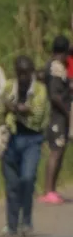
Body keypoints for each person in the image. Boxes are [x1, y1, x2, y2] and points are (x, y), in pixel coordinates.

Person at [0, 55, 48, 237]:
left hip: (32, 139)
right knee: (12, 184)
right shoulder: (10, 87)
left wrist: (16, 108)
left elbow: (37, 114)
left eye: (26, 73)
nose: (24, 77)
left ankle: (26, 220)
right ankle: (11, 225)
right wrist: (9, 110)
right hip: (12, 138)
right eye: (20, 73)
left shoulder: (40, 89)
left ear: (32, 72)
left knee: (27, 177)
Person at [41, 35, 69, 205]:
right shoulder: (55, 67)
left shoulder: (55, 66)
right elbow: (55, 95)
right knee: (55, 152)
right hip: (57, 116)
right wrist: (67, 113)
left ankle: (52, 190)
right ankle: (48, 190)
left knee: (60, 150)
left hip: (60, 115)